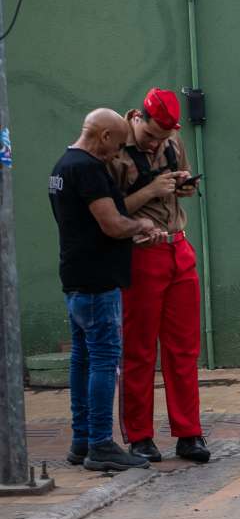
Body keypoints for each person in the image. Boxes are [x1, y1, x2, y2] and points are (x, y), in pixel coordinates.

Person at [48, 109, 165, 472]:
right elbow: (111, 224)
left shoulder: (61, 167)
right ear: (103, 137)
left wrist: (131, 236)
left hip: (76, 277)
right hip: (98, 283)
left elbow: (92, 227)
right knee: (103, 360)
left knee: (82, 359)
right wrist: (141, 225)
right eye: (116, 146)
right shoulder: (88, 169)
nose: (117, 154)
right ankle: (100, 443)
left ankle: (81, 441)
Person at [110, 88, 209, 464]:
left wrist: (183, 186)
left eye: (163, 138)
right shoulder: (116, 147)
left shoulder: (172, 143)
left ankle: (189, 432)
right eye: (151, 135)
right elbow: (110, 208)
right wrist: (151, 189)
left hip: (177, 247)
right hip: (140, 252)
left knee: (183, 349)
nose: (156, 143)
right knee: (138, 349)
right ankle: (140, 436)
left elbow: (175, 195)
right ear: (138, 118)